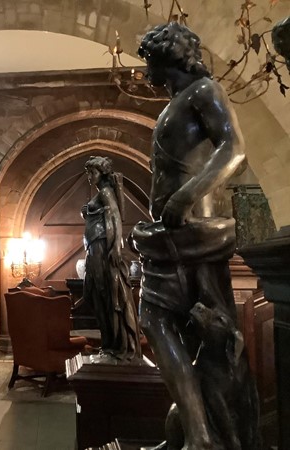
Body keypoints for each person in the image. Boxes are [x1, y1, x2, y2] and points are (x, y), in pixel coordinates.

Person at [130, 22, 249, 450]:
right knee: (164, 322)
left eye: (149, 63)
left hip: (192, 231)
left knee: (164, 322)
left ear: (166, 59)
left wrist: (184, 198)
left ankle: (204, 435)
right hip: (171, 236)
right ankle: (198, 433)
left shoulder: (203, 91)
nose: (146, 74)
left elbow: (233, 148)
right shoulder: (179, 100)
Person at [82, 156, 141, 361]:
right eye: (88, 173)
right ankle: (108, 343)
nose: (90, 177)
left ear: (102, 174)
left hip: (102, 247)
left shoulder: (106, 193)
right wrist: (87, 213)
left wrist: (116, 246)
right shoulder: (100, 195)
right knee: (98, 295)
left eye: (93, 173)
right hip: (94, 248)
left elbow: (115, 216)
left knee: (108, 295)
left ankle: (116, 344)